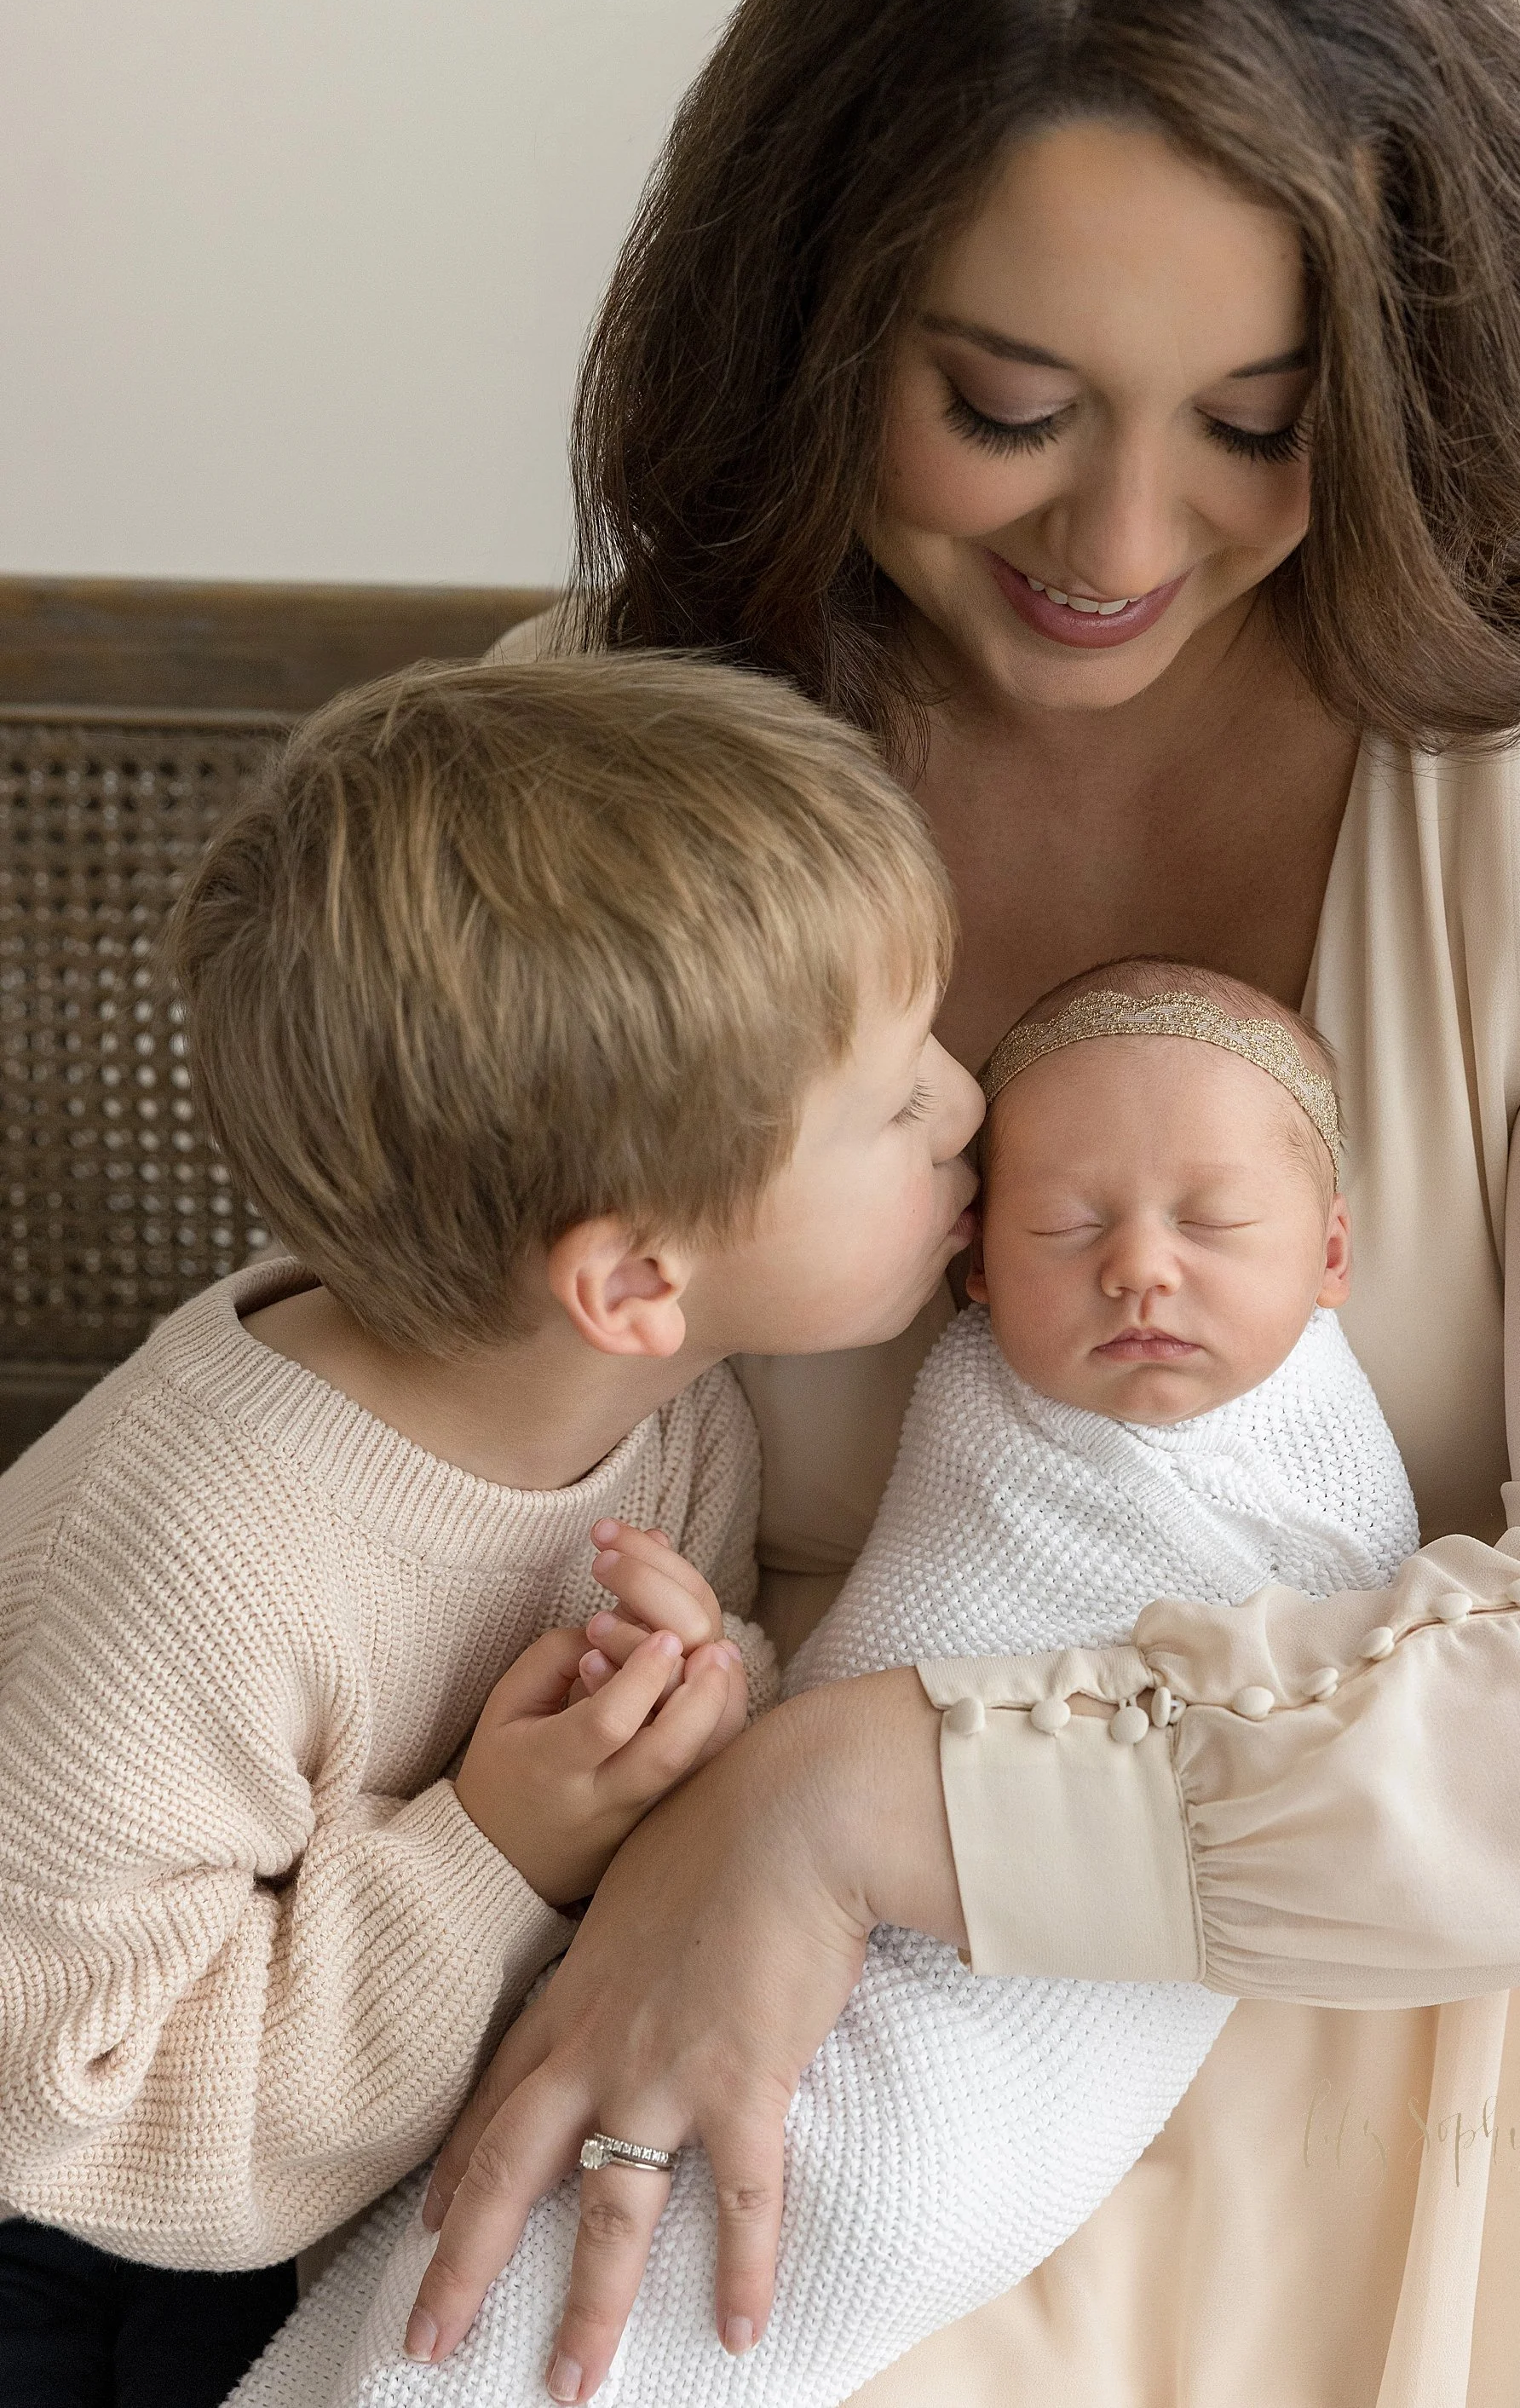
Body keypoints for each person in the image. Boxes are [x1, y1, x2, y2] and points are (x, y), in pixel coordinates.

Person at [397, 0, 1520, 2405]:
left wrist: (874, 1792)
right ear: (805, 304)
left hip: (1425, 2146)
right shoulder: (593, 767)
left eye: (1263, 419)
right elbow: (405, 1488)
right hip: (741, 2144)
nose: (1122, 550)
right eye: (1002, 409)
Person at [0, 653, 981, 2407]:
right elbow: (71, 2093)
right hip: (73, 2237)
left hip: (332, 2170)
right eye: (897, 1099)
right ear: (628, 1278)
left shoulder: (664, 1410)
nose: (969, 1106)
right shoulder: (193, 1559)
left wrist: (700, 1703)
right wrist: (495, 1850)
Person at [239, 955, 1419, 2407]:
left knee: (837, 2195)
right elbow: (900, 1636)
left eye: (1217, 1221)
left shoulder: (1323, 1493)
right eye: (1067, 1225)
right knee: (520, 2197)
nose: (1140, 1267)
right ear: (976, 1266)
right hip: (716, 1899)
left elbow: (1318, 1745)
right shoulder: (969, 1402)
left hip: (1014, 2000)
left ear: (1335, 1254)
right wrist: (717, 1687)